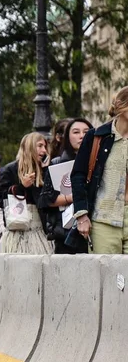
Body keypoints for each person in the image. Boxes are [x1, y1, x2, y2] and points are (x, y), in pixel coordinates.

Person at [71, 86, 128, 254]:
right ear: (120, 105)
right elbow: (78, 175)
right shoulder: (97, 137)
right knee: (107, 277)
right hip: (104, 219)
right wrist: (81, 215)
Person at [39, 118, 92, 254]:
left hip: (95, 227)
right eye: (76, 132)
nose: (81, 136)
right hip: (65, 231)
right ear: (67, 137)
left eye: (86, 132)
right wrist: (73, 197)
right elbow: (46, 200)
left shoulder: (99, 162)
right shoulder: (57, 163)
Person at [0, 133, 52, 254]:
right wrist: (21, 188)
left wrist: (46, 170)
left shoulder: (45, 170)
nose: (44, 150)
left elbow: (50, 198)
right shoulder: (10, 169)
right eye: (40, 146)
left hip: (39, 231)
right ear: (29, 146)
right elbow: (0, 199)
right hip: (16, 230)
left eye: (45, 146)